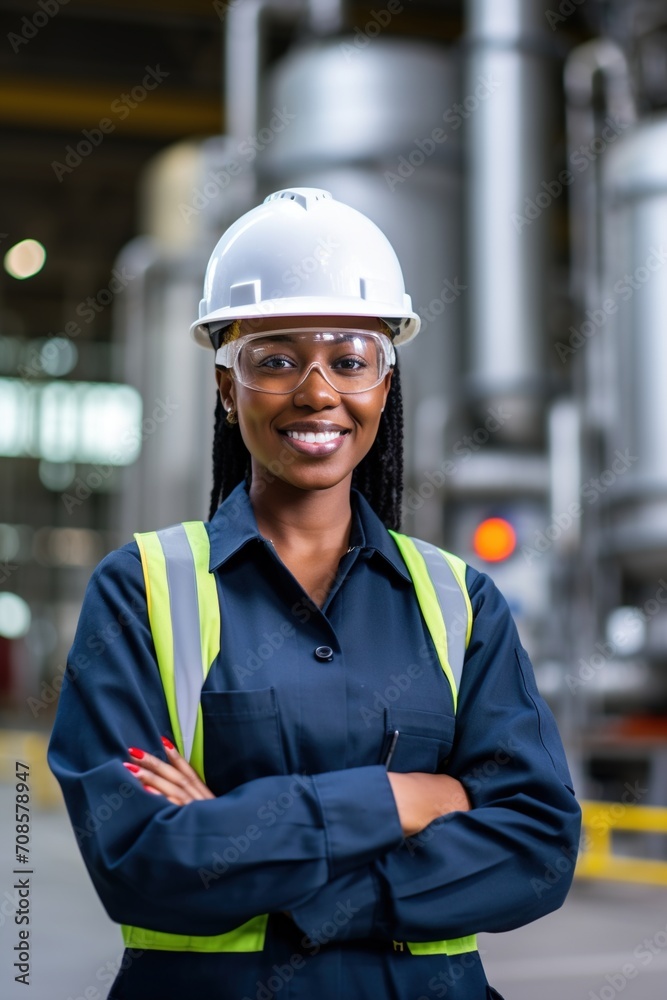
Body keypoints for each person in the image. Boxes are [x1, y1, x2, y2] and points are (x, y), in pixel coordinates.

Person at [48, 187, 581, 1000]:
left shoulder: (459, 600)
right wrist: (404, 798)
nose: (316, 391)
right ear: (227, 388)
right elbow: (143, 862)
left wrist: (264, 853)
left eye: (348, 359)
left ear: (383, 383)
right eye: (275, 359)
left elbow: (537, 845)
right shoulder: (142, 592)